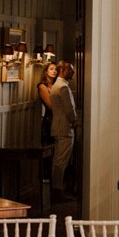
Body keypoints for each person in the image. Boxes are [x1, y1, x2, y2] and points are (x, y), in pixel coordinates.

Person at [50, 60, 77, 200]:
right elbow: (69, 109)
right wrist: (74, 121)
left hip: (58, 127)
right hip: (65, 128)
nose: (72, 73)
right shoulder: (63, 88)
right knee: (61, 161)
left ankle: (57, 189)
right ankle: (58, 191)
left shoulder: (56, 86)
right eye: (70, 70)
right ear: (63, 71)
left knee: (58, 160)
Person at [37, 61, 58, 145]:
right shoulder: (42, 86)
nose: (54, 71)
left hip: (58, 120)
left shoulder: (56, 85)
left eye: (56, 69)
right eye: (51, 69)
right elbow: (50, 106)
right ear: (46, 71)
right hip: (50, 120)